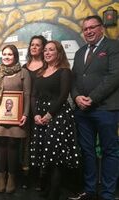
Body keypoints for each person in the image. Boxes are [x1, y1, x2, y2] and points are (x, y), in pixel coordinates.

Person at [69, 15, 119, 200]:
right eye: (85, 29)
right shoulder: (80, 52)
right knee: (87, 151)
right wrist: (76, 97)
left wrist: (92, 98)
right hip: (82, 111)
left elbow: (114, 76)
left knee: (109, 151)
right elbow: (73, 79)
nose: (88, 31)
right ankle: (90, 191)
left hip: (106, 109)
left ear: (101, 28)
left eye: (92, 27)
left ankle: (107, 193)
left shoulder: (113, 47)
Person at [30, 40, 79, 200]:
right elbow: (34, 95)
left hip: (58, 116)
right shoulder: (40, 72)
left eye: (51, 50)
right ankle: (49, 186)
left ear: (59, 53)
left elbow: (64, 95)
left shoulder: (64, 71)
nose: (47, 52)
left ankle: (54, 192)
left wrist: (48, 115)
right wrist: (36, 114)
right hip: (40, 117)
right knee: (45, 153)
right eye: (45, 50)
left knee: (56, 156)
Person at [0, 44, 31, 193]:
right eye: (4, 54)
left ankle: (12, 177)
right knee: (1, 144)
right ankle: (1, 176)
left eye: (10, 54)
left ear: (15, 56)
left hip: (17, 117)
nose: (6, 57)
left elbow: (27, 95)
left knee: (13, 145)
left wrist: (25, 114)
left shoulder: (23, 72)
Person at [22, 35, 47, 190]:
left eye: (38, 45)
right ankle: (26, 176)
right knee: (26, 144)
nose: (34, 47)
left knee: (41, 144)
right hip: (26, 111)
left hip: (41, 111)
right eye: (32, 44)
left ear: (43, 48)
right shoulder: (24, 67)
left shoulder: (47, 66)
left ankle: (41, 177)